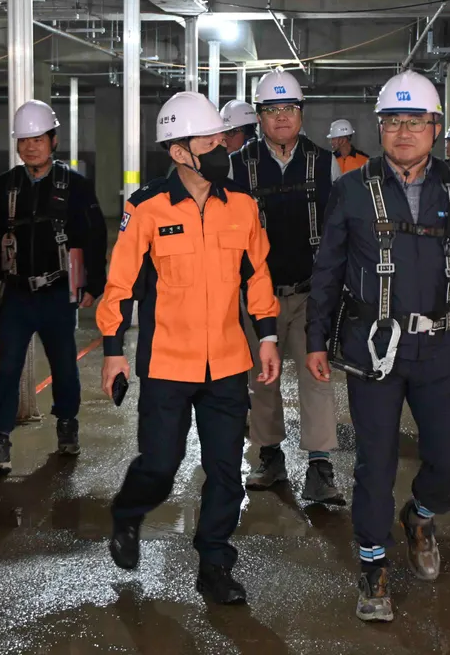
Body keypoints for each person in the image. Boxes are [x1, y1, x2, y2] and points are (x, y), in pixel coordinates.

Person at [305, 70, 450, 622]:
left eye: (415, 121)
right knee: (375, 462)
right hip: (373, 348)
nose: (404, 131)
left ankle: (420, 515)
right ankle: (373, 566)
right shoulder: (351, 189)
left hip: (440, 348)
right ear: (381, 128)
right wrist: (316, 338)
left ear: (435, 128)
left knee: (449, 459)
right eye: (393, 121)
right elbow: (329, 269)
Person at [99, 91, 281, 605]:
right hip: (167, 363)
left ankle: (215, 563)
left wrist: (268, 336)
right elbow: (121, 283)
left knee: (226, 472)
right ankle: (128, 512)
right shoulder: (147, 208)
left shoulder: (242, 205)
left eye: (221, 138)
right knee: (161, 464)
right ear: (180, 151)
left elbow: (257, 275)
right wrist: (113, 349)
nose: (221, 148)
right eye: (209, 142)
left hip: (227, 362)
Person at [228, 67, 345, 505]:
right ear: (259, 117)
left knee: (317, 374)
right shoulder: (238, 167)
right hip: (259, 297)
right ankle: (269, 455)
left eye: (289, 108)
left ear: (301, 114)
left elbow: (340, 232)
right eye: (272, 109)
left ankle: (320, 465)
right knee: (263, 378)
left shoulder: (324, 163)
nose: (281, 117)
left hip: (310, 293)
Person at [0, 99, 107, 472]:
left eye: (38, 139)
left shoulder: (76, 186)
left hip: (58, 293)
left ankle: (67, 423)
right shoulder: (5, 186)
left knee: (64, 365)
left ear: (53, 140)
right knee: (7, 367)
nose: (30, 147)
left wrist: (92, 283)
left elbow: (93, 236)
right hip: (16, 294)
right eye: (24, 140)